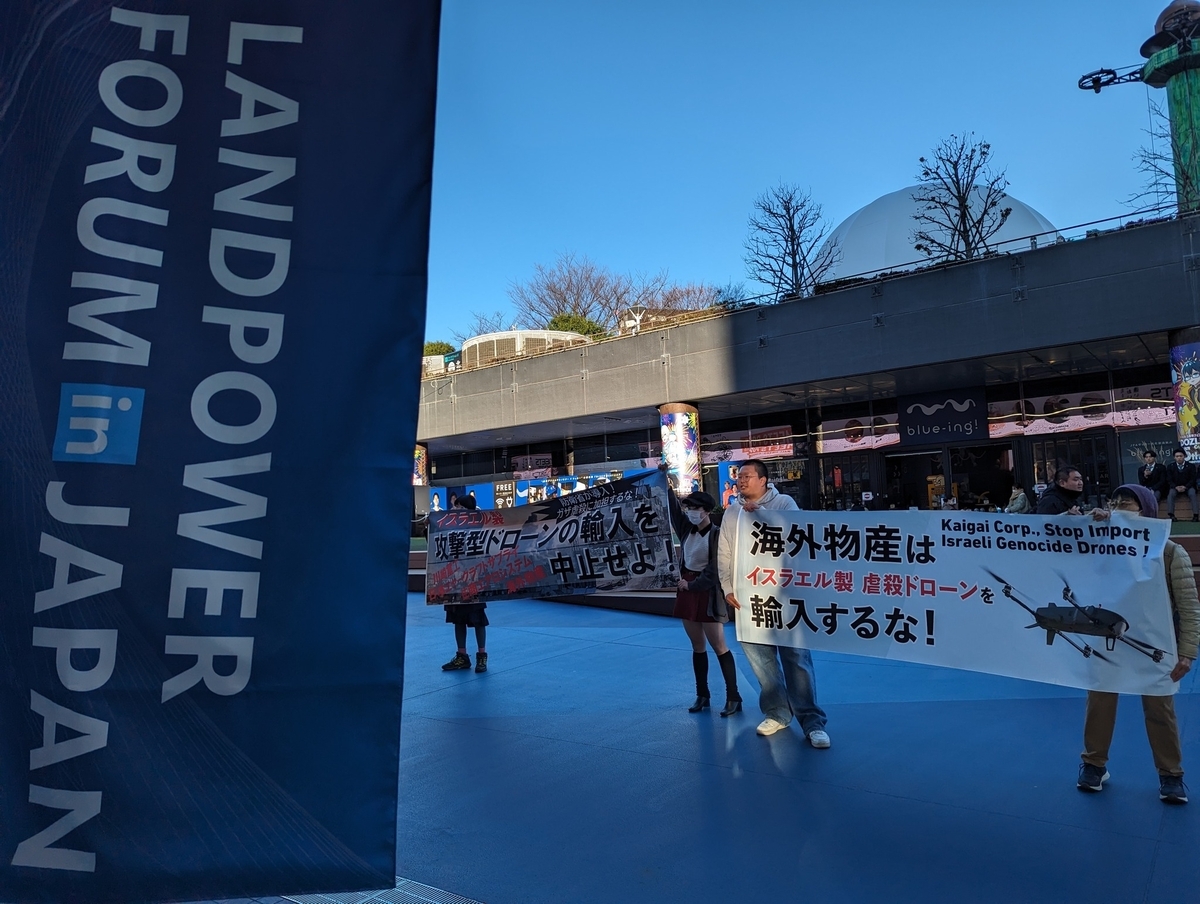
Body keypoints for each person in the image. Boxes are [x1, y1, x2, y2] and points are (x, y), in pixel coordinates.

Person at [1080, 484, 1197, 803]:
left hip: (1155, 645)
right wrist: (1085, 522)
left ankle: (1171, 775)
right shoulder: (1100, 545)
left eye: (1126, 503)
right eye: (1114, 502)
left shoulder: (1170, 551)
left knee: (1160, 708)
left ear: (1145, 510)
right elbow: (1056, 539)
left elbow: (1189, 607)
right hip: (1107, 641)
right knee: (1099, 702)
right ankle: (1093, 764)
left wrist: (1187, 652)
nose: (1118, 507)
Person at [716, 459, 830, 747]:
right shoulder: (732, 511)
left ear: (763, 480)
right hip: (748, 596)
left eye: (747, 476)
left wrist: (762, 514)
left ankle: (812, 721)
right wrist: (728, 587)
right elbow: (724, 551)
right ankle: (777, 712)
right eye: (739, 476)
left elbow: (797, 535)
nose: (741, 480)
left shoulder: (784, 503)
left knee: (796, 658)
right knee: (760, 659)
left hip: (784, 594)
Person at [666, 487, 742, 716]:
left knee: (719, 645)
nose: (691, 512)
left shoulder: (717, 534)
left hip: (707, 592)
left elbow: (716, 569)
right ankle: (702, 694)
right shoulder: (686, 529)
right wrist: (666, 483)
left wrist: (692, 585)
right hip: (687, 589)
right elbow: (673, 511)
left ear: (707, 511)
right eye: (689, 508)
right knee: (697, 646)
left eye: (695, 508)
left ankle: (733, 696)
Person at [441, 494, 490, 673]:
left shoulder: (479, 529)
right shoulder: (449, 529)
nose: (456, 510)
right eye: (455, 507)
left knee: (478, 619)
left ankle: (482, 656)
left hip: (474, 581)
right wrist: (428, 530)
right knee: (458, 619)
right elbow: (437, 548)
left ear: (469, 511)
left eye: (460, 507)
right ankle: (462, 656)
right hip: (454, 582)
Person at [1164, 448, 1198, 522]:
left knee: (1192, 493)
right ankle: (1171, 515)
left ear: (1184, 456)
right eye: (1177, 456)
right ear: (1174, 457)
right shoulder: (1170, 466)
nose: (1179, 458)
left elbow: (1193, 479)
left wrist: (1186, 487)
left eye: (1181, 456)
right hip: (1175, 487)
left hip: (1188, 486)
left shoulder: (1191, 466)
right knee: (1171, 494)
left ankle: (1196, 515)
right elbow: (1169, 479)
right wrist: (1175, 487)